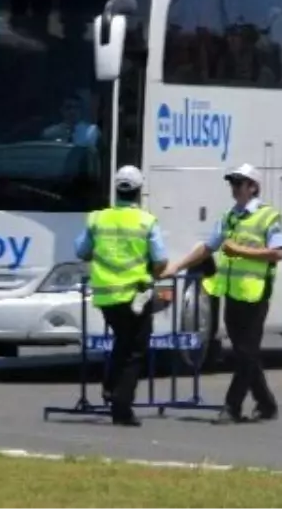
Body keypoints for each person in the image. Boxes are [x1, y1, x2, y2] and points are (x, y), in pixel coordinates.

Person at [165, 163, 282, 424]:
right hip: (232, 293)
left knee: (245, 351)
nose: (234, 188)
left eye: (239, 183)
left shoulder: (268, 216)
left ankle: (232, 407)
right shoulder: (230, 217)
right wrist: (177, 266)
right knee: (246, 351)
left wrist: (240, 251)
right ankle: (266, 403)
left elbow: (278, 252)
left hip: (256, 294)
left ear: (252, 187)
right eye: (232, 183)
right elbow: (208, 247)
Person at [74, 165, 167, 427]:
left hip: (106, 297)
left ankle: (109, 385)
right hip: (135, 296)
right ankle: (121, 406)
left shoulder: (97, 219)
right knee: (135, 351)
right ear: (139, 192)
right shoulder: (146, 221)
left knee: (122, 342)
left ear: (116, 190)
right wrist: (153, 272)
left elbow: (81, 251)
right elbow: (160, 259)